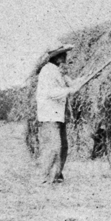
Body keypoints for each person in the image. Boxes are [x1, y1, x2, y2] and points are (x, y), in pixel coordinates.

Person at [36, 42, 85, 184]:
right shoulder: (47, 71)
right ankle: (45, 179)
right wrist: (69, 91)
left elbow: (73, 83)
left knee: (63, 146)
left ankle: (56, 176)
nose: (65, 56)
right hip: (49, 114)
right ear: (56, 57)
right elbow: (51, 93)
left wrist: (85, 78)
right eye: (63, 54)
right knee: (53, 147)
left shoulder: (58, 71)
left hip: (59, 114)